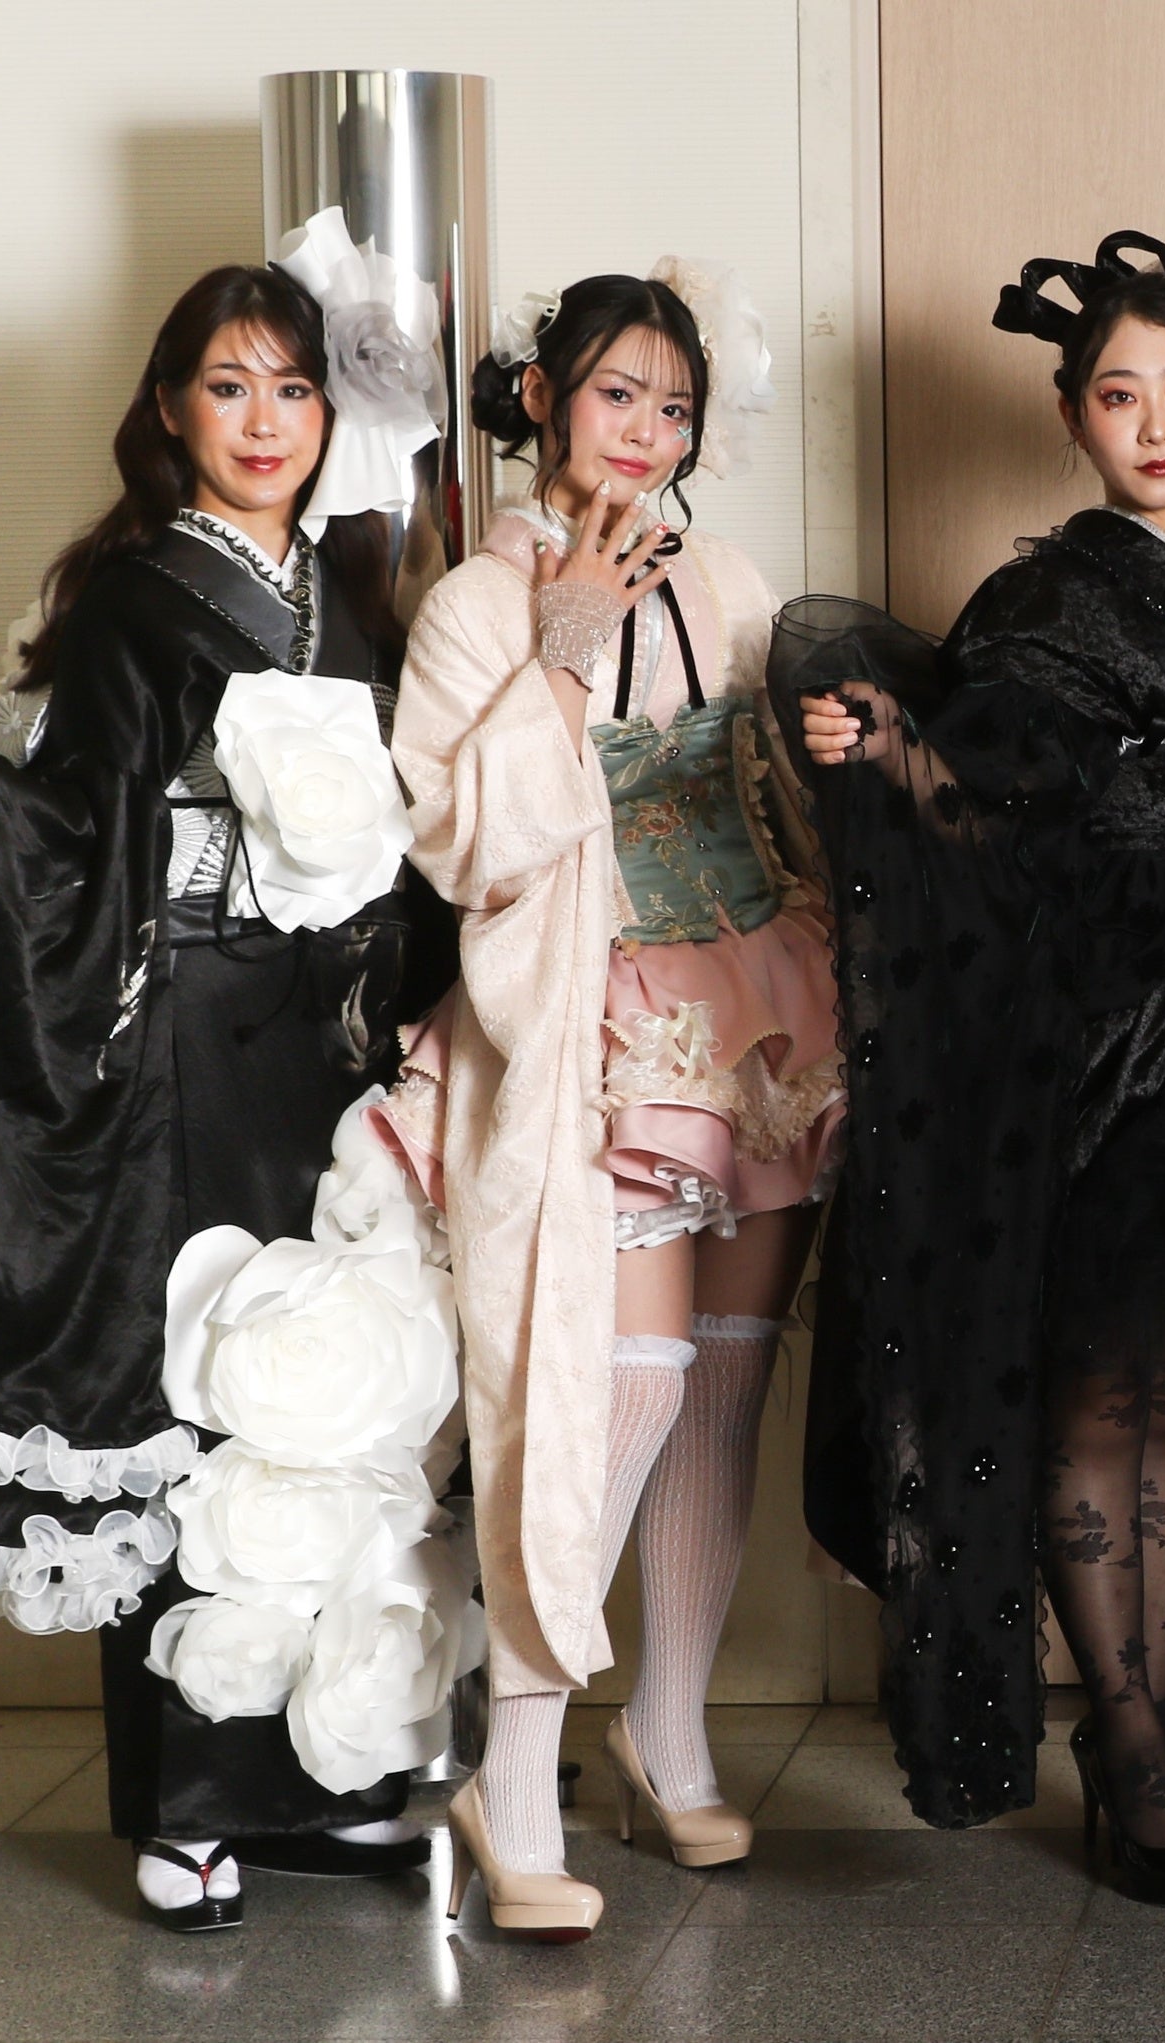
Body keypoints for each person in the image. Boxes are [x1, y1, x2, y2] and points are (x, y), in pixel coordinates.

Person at [0, 232, 476, 1933]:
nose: (265, 419)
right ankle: (190, 1805)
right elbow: (79, 835)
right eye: (228, 386)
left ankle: (317, 1781)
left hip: (327, 1047)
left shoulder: (355, 593)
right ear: (168, 411)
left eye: (292, 388)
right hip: (187, 1042)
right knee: (199, 1395)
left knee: (340, 1399)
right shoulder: (140, 596)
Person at [788, 234, 1165, 1908]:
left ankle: (1147, 1733)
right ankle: (1129, 1754)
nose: (1155, 424)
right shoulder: (1046, 601)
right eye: (1120, 395)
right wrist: (889, 752)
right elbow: (980, 800)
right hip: (1102, 1027)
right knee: (1098, 1395)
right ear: (1073, 417)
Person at [383, 261, 825, 1939]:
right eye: (616, 393)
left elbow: (776, 789)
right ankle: (513, 1781)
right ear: (546, 399)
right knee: (609, 1396)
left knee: (725, 1388)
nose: (644, 430)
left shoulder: (727, 579)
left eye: (673, 406)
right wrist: (564, 640)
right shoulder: (475, 600)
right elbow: (467, 847)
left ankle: (669, 1734)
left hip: (756, 1011)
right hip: (590, 1018)